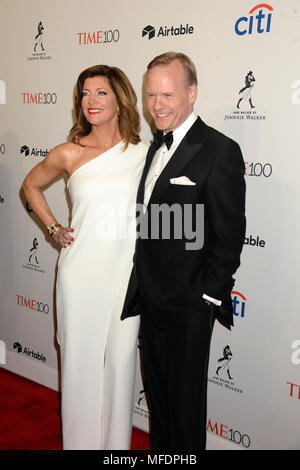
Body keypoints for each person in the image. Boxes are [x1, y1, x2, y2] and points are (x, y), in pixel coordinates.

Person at [121, 52, 246, 449]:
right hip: (152, 298)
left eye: (167, 95)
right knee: (160, 403)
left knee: (185, 411)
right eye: (151, 95)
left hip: (191, 305)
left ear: (192, 93)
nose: (157, 104)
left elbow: (229, 235)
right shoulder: (154, 146)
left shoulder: (219, 150)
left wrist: (207, 298)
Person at [22, 65, 147, 450]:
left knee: (122, 362)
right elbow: (30, 185)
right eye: (85, 94)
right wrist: (53, 228)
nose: (90, 101)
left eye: (101, 93)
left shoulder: (145, 153)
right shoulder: (69, 152)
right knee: (79, 364)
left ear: (120, 98)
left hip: (127, 274)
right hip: (81, 273)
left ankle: (115, 449)